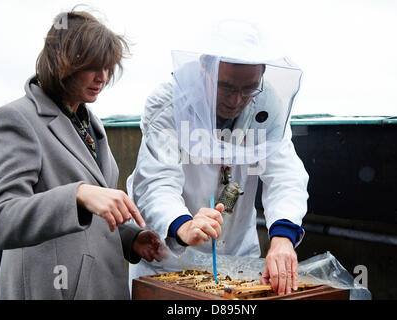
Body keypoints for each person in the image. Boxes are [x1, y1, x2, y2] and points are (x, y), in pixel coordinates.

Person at [0, 9, 165, 300]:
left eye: (107, 67)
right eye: (92, 67)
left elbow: (92, 217)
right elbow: (1, 219)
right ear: (62, 63)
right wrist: (78, 195)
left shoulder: (88, 122)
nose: (103, 77)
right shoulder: (15, 118)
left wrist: (131, 238)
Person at [127, 20, 309, 295]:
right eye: (225, 87)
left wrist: (283, 238)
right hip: (171, 261)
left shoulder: (268, 104)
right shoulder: (169, 103)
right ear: (205, 66)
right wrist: (182, 224)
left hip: (238, 257)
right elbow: (156, 182)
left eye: (249, 88)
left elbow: (285, 174)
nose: (236, 100)